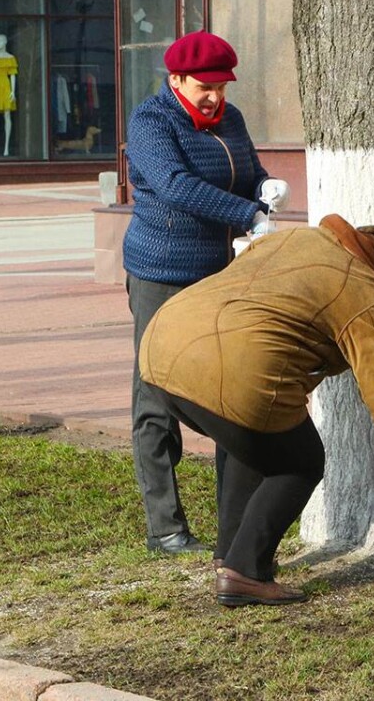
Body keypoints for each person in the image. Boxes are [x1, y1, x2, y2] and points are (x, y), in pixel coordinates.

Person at [139, 215, 374, 606]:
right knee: (300, 461)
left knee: (252, 440)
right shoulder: (367, 292)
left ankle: (231, 555)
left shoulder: (296, 239)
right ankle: (245, 574)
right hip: (236, 369)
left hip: (161, 348)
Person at [124, 30, 291, 558]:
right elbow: (174, 185)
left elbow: (246, 172)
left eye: (222, 86)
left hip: (220, 274)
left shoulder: (231, 119)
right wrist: (248, 214)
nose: (215, 97)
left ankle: (232, 522)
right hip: (161, 273)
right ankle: (165, 527)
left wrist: (264, 188)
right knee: (157, 396)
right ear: (175, 80)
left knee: (228, 391)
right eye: (205, 86)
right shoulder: (152, 121)